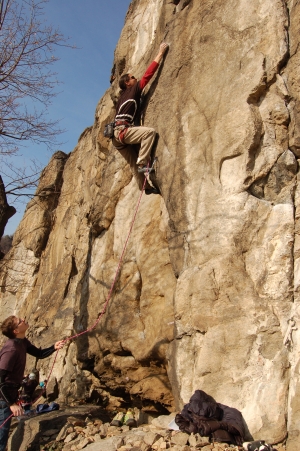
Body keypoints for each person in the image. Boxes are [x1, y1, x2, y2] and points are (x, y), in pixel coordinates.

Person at [0, 316, 64, 451]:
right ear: (16, 330)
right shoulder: (10, 350)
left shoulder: (22, 342)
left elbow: (39, 353)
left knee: (3, 432)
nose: (23, 319)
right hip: (3, 398)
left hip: (10, 394)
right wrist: (11, 404)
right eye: (20, 321)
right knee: (1, 433)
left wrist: (54, 347)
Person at [112, 42, 169, 195]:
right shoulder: (134, 90)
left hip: (116, 137)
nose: (135, 78)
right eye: (132, 77)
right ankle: (143, 161)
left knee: (132, 164)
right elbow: (148, 75)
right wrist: (160, 53)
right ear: (127, 83)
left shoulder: (121, 98)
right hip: (123, 131)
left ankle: (146, 187)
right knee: (149, 133)